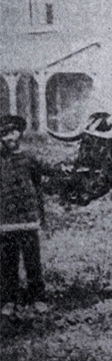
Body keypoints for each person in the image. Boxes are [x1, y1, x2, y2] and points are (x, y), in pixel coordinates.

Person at [0, 115, 49, 317]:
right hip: (5, 221)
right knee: (7, 263)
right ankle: (9, 300)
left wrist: (41, 214)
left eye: (13, 131)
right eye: (4, 134)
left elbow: (41, 181)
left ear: (19, 133)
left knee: (32, 262)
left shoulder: (30, 157)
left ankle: (37, 299)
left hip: (29, 219)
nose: (9, 137)